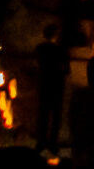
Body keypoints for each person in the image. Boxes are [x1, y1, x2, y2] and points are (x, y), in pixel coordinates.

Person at [34, 22, 72, 152]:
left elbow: (38, 65)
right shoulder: (62, 50)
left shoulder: (39, 49)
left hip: (44, 83)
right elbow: (67, 70)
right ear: (56, 36)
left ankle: (41, 141)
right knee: (56, 114)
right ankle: (52, 142)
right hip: (57, 84)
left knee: (43, 112)